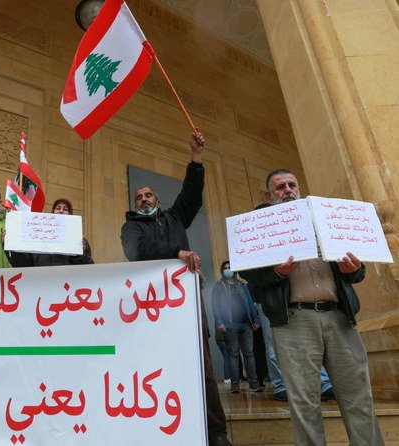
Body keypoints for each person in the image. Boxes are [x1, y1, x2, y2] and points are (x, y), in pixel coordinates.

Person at [239, 169, 384, 446]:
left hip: (339, 318)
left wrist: (353, 269)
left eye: (292, 185)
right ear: (270, 196)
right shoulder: (263, 228)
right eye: (280, 187)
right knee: (305, 402)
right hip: (294, 321)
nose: (288, 190)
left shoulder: (326, 221)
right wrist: (277, 272)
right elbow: (252, 277)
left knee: (359, 397)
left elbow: (358, 272)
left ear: (300, 189)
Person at [120, 131, 233, 446]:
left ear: (157, 200)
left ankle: (217, 432)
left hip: (186, 303)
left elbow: (192, 195)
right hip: (151, 307)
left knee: (203, 365)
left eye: (148, 196)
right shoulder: (130, 227)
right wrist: (176, 254)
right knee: (159, 365)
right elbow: (136, 252)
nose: (143, 199)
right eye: (138, 197)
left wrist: (196, 160)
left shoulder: (174, 218)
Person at [251, 203, 335, 402]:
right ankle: (280, 384)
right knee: (273, 347)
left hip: (290, 300)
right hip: (267, 300)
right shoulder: (255, 242)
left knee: (310, 346)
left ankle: (323, 383)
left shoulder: (289, 236)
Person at [212, 261, 262, 393]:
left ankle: (253, 383)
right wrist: (219, 322)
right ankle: (235, 384)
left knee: (249, 354)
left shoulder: (241, 285)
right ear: (222, 271)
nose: (228, 270)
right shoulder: (218, 286)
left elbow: (249, 303)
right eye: (225, 269)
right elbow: (215, 306)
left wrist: (255, 319)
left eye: (230, 268)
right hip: (229, 326)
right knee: (233, 355)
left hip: (245, 324)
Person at [6, 198, 94, 267]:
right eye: (58, 208)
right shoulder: (37, 236)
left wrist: (80, 251)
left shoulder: (80, 240)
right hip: (43, 285)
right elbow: (23, 264)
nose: (61, 211)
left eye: (65, 209)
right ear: (53, 212)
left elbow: (88, 268)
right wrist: (9, 244)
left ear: (70, 215)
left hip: (67, 286)